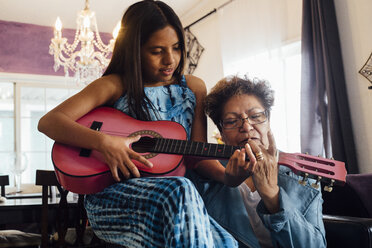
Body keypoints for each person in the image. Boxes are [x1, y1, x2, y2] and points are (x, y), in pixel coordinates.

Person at [38, 1, 237, 247]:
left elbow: (197, 156)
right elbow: (49, 122)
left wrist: (230, 176)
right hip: (116, 197)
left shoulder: (194, 88)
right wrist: (104, 142)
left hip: (176, 198)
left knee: (227, 242)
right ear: (134, 49)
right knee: (180, 189)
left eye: (176, 48)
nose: (170, 60)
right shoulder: (114, 85)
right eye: (157, 51)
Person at [187, 75, 326, 248]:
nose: (246, 127)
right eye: (231, 121)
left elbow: (315, 245)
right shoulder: (206, 178)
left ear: (268, 121)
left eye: (255, 116)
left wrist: (272, 195)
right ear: (221, 133)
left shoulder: (304, 177)